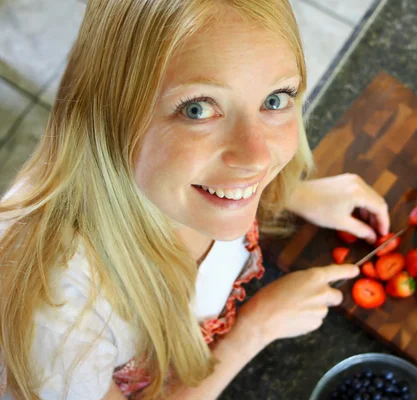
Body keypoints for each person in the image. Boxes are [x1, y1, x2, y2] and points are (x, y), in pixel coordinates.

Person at [0, 0, 390, 399]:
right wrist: (254, 330)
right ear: (109, 111)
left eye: (275, 99)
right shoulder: (54, 314)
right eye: (198, 108)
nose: (256, 158)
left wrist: (289, 193)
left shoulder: (187, 185)